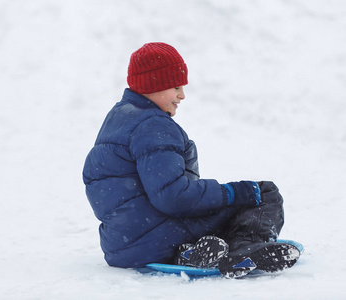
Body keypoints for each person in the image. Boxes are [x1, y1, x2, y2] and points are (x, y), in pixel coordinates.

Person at [82, 42, 300, 278]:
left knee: (214, 211)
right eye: (176, 86)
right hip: (160, 235)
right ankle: (245, 248)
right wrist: (233, 193)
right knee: (262, 193)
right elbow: (174, 198)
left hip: (123, 246)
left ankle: (188, 253)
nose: (182, 95)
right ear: (155, 84)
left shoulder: (118, 118)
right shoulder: (153, 125)